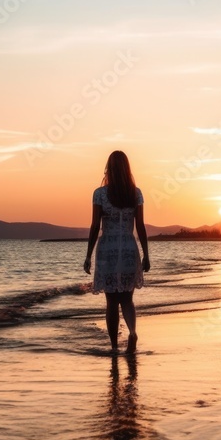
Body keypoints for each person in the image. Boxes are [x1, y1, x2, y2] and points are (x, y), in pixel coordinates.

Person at [84, 151, 150, 353]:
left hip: (108, 250)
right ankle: (132, 332)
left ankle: (114, 347)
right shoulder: (135, 193)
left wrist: (88, 255)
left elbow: (95, 226)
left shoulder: (100, 194)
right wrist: (146, 254)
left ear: (109, 168)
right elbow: (140, 226)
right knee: (127, 300)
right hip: (129, 248)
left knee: (112, 302)